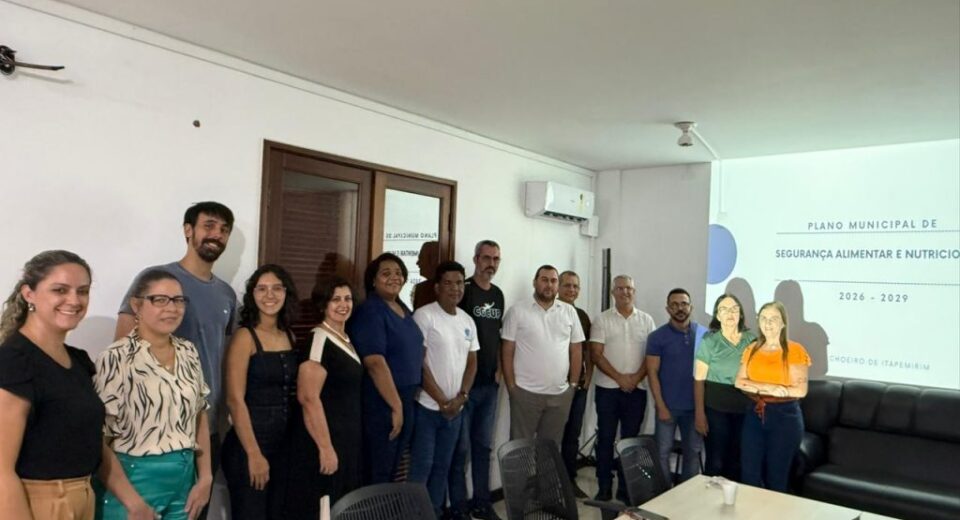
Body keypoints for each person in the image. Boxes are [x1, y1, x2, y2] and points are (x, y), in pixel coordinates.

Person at [0, 251, 152, 520]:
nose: (74, 300)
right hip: (34, 505)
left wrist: (135, 504)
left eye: (82, 291)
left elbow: (89, 442)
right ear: (29, 294)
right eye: (60, 290)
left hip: (83, 498)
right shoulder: (13, 361)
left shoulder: (79, 361)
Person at [115, 201, 237, 503]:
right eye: (209, 226)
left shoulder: (227, 294)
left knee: (196, 509)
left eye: (224, 230)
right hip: (154, 427)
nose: (217, 234)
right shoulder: (157, 279)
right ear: (188, 230)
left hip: (205, 427)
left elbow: (222, 359)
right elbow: (123, 345)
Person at [95, 270, 214, 519]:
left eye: (178, 300)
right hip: (134, 480)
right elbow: (98, 439)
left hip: (184, 478)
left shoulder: (188, 352)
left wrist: (205, 477)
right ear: (136, 305)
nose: (172, 308)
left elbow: (199, 415)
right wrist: (132, 502)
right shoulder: (116, 358)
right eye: (160, 300)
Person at [222, 265, 299, 520]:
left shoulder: (289, 335)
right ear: (252, 295)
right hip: (249, 446)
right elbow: (234, 400)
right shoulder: (244, 337)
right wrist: (254, 454)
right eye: (262, 289)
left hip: (284, 446)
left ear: (286, 292)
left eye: (277, 288)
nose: (270, 295)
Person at [288, 276, 363, 515]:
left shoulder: (346, 338)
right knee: (325, 507)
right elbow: (308, 398)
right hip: (325, 442)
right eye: (336, 299)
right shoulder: (319, 339)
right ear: (323, 305)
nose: (343, 305)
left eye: (347, 299)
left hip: (346, 440)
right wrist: (326, 448)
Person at [409, 261, 478, 518]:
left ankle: (435, 513)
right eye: (448, 283)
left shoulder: (467, 320)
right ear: (437, 287)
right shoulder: (424, 316)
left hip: (455, 411)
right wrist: (442, 401)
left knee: (442, 468)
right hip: (428, 409)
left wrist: (461, 397)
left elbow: (472, 362)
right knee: (422, 468)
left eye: (459, 283)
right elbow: (419, 363)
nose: (455, 288)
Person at [348, 253, 424, 484]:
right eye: (386, 273)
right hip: (384, 401)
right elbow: (374, 363)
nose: (394, 278)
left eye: (399, 273)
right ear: (373, 280)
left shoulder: (403, 309)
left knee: (393, 468)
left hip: (406, 399)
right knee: (379, 470)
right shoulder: (371, 311)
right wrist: (396, 406)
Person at [448, 240, 504, 520]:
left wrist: (500, 370)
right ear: (475, 259)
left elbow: (498, 336)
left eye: (496, 259)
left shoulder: (498, 294)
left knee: (483, 448)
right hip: (464, 387)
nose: (491, 264)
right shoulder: (464, 290)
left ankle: (482, 503)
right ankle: (458, 507)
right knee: (461, 451)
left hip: (489, 386)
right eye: (486, 258)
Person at [590, 274, 655, 502]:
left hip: (637, 390)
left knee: (631, 442)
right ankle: (604, 486)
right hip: (607, 390)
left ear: (634, 292)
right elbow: (596, 355)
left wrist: (635, 378)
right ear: (613, 292)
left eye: (629, 288)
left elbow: (651, 356)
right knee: (605, 439)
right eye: (620, 288)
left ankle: (627, 489)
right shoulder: (602, 320)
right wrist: (620, 378)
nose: (625, 292)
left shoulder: (647, 320)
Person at [502, 265, 584, 445]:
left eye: (553, 281)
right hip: (525, 393)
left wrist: (572, 385)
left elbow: (576, 350)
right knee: (520, 449)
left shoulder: (569, 312)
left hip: (559, 395)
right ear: (535, 282)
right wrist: (512, 387)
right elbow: (507, 351)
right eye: (544, 280)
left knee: (550, 450)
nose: (549, 285)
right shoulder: (517, 311)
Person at [735, 302, 810, 491]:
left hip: (785, 417)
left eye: (774, 319)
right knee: (749, 475)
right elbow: (739, 382)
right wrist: (768, 387)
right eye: (763, 318)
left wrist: (756, 386)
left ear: (783, 323)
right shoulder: (751, 349)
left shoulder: (795, 350)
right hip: (754, 414)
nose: (768, 323)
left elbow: (800, 390)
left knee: (776, 478)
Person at [646, 288, 708, 483]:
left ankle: (687, 496)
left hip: (695, 409)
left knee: (693, 453)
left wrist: (701, 411)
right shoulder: (657, 337)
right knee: (662, 453)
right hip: (667, 407)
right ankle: (665, 495)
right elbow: (652, 373)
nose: (679, 308)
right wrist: (661, 406)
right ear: (668, 309)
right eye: (674, 305)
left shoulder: (703, 335)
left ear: (691, 307)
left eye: (683, 304)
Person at [693, 293, 756, 481]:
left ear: (741, 314)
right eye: (724, 309)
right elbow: (698, 380)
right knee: (716, 462)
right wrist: (699, 414)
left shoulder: (751, 340)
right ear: (718, 315)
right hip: (716, 410)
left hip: (744, 410)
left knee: (737, 462)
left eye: (734, 309)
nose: (730, 313)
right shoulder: (709, 341)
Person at [557, 270, 593, 498]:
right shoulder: (551, 311)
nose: (571, 290)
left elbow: (587, 351)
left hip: (577, 388)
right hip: (555, 388)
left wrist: (587, 380)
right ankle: (551, 484)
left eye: (575, 286)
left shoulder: (582, 316)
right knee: (553, 437)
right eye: (567, 285)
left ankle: (569, 481)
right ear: (558, 287)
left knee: (572, 435)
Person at [412, 241, 440, 310]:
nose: (417, 263)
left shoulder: (446, 289)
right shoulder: (420, 289)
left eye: (421, 258)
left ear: (433, 260)